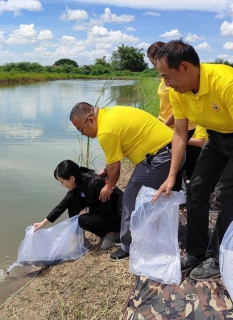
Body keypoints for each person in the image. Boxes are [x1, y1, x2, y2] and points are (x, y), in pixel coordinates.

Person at [152, 39, 233, 280]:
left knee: (228, 196)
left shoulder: (224, 81)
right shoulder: (178, 91)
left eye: (167, 76)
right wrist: (171, 176)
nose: (166, 83)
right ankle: (197, 252)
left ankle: (218, 255)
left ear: (184, 67)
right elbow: (180, 134)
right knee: (196, 188)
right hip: (218, 136)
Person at [69, 103, 176, 261]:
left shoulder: (105, 131)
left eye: (81, 129)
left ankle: (129, 246)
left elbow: (116, 169)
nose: (82, 134)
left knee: (131, 197)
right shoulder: (109, 114)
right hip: (165, 149)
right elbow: (117, 151)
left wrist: (109, 186)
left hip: (163, 155)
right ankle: (149, 231)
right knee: (142, 196)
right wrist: (106, 169)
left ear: (90, 120)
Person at [147, 41, 208, 184]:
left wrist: (164, 125)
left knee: (190, 161)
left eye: (155, 63)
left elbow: (179, 108)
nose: (155, 68)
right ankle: (177, 191)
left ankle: (191, 191)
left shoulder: (178, 78)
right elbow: (166, 105)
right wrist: (158, 121)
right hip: (167, 124)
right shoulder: (166, 79)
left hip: (182, 125)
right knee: (175, 162)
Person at [33, 160, 123, 250]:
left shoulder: (94, 183)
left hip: (119, 216)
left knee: (83, 219)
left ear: (72, 178)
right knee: (72, 203)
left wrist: (88, 211)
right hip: (107, 213)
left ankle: (114, 232)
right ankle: (82, 240)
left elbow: (109, 207)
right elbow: (63, 205)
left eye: (62, 182)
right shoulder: (79, 184)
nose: (62, 185)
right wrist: (43, 223)